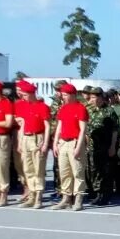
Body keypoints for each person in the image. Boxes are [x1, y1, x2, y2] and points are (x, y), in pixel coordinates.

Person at [13, 80, 50, 208]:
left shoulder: (43, 107)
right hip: (26, 138)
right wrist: (20, 142)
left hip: (37, 137)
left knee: (38, 169)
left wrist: (45, 143)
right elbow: (22, 125)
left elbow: (47, 126)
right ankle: (32, 195)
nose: (23, 97)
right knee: (28, 169)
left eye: (25, 94)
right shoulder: (24, 106)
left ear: (31, 93)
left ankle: (38, 196)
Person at [53, 82, 89, 210]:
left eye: (65, 95)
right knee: (64, 172)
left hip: (74, 142)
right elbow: (59, 127)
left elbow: (82, 130)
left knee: (78, 171)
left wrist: (79, 146)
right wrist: (55, 142)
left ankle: (78, 198)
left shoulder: (81, 108)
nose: (63, 97)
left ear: (72, 95)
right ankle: (66, 198)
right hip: (63, 142)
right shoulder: (63, 108)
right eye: (62, 95)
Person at [85, 87, 119, 206]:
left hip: (105, 146)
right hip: (92, 146)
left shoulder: (109, 111)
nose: (92, 99)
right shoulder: (91, 111)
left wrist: (112, 147)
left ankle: (104, 195)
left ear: (100, 97)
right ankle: (97, 193)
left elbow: (115, 130)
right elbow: (88, 129)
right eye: (91, 97)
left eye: (94, 97)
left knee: (105, 172)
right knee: (94, 170)